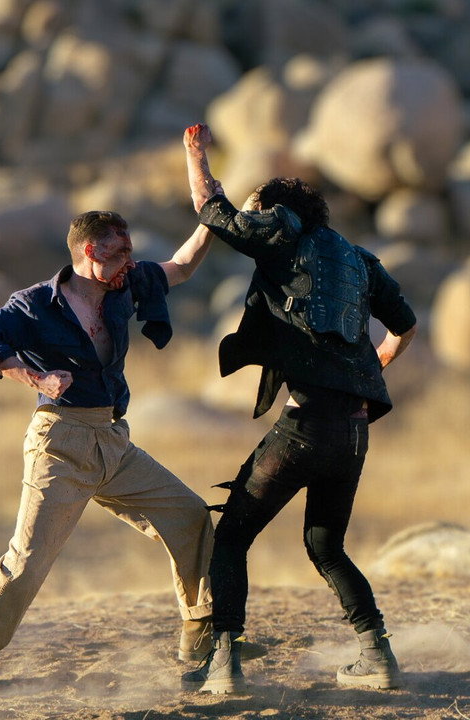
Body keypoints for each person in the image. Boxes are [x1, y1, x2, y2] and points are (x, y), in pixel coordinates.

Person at [0, 209, 221, 695]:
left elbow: (181, 266)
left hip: (113, 441)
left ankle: (200, 638)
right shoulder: (35, 304)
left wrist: (212, 218)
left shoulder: (126, 285)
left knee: (189, 515)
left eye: (129, 250)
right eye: (118, 252)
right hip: (60, 442)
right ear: (88, 252)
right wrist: (36, 378)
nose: (130, 260)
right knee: (29, 558)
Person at [178, 123, 418, 694]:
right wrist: (375, 363)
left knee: (232, 536)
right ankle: (377, 656)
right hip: (355, 432)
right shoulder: (359, 259)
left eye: (263, 210)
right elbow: (405, 326)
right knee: (325, 545)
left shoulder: (282, 234)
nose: (258, 219)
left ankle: (223, 666)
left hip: (305, 425)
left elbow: (212, 209)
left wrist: (195, 153)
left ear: (279, 212)